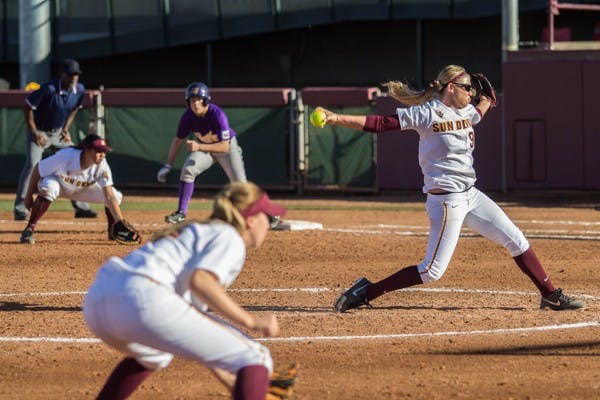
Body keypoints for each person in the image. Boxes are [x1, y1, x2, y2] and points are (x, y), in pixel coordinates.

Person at [313, 64, 584, 312]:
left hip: (471, 195)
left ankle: (550, 294)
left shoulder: (466, 111)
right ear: (451, 88)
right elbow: (381, 124)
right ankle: (366, 291)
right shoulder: (427, 112)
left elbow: (480, 109)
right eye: (467, 87)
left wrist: (487, 100)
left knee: (516, 239)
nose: (472, 92)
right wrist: (335, 117)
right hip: (446, 201)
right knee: (432, 271)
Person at [83, 181, 287, 400]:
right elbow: (200, 280)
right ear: (250, 220)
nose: (269, 224)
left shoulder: (198, 230)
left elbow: (196, 327)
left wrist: (229, 381)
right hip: (143, 296)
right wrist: (252, 321)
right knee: (256, 358)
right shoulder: (229, 237)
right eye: (267, 217)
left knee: (154, 354)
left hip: (100, 300)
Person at [14, 58, 97, 221]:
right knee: (32, 166)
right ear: (62, 75)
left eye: (77, 74)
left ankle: (81, 207)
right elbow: (28, 106)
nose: (74, 78)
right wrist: (35, 132)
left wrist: (66, 129)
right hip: (40, 132)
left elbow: (74, 109)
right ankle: (20, 209)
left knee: (77, 162)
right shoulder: (48, 89)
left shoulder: (79, 90)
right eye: (71, 74)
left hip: (59, 133)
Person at [19, 134, 139, 245]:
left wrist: (119, 220)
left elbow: (109, 196)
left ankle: (112, 229)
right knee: (49, 187)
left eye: (104, 151)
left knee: (116, 196)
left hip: (83, 190)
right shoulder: (66, 156)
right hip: (60, 184)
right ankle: (29, 229)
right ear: (86, 150)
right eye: (98, 151)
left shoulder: (102, 165)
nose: (102, 154)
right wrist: (29, 195)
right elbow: (37, 169)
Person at [157, 82, 247, 224]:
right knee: (188, 169)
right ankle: (181, 212)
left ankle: (267, 215)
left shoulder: (217, 114)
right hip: (205, 148)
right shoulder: (188, 116)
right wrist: (168, 165)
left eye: (199, 99)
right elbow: (177, 141)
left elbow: (224, 147)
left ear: (205, 100)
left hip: (227, 148)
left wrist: (198, 147)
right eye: (192, 100)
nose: (196, 103)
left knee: (241, 186)